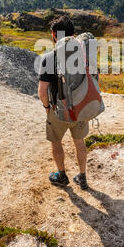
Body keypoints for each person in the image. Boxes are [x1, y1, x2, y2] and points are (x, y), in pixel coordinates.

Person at [37, 15, 90, 190]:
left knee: (56, 142)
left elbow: (42, 91)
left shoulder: (49, 58)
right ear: (73, 35)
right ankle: (82, 177)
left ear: (53, 35)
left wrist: (46, 108)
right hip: (81, 106)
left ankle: (61, 175)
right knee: (79, 142)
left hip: (58, 108)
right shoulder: (83, 56)